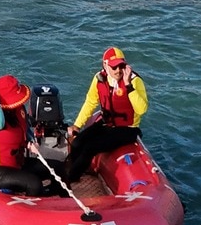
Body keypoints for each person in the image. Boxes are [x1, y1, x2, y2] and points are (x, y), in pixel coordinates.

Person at [63, 49, 148, 183]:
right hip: (106, 123)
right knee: (77, 143)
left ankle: (70, 180)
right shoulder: (99, 79)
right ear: (105, 65)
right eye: (114, 67)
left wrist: (128, 86)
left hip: (127, 129)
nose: (118, 70)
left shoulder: (135, 81)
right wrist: (77, 125)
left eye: (121, 66)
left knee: (90, 147)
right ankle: (76, 169)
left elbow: (142, 109)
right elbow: (91, 102)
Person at [0, 75, 50, 195]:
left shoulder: (17, 110)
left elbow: (24, 130)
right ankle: (29, 210)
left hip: (16, 163)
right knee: (33, 183)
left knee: (57, 167)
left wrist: (30, 143)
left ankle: (61, 200)